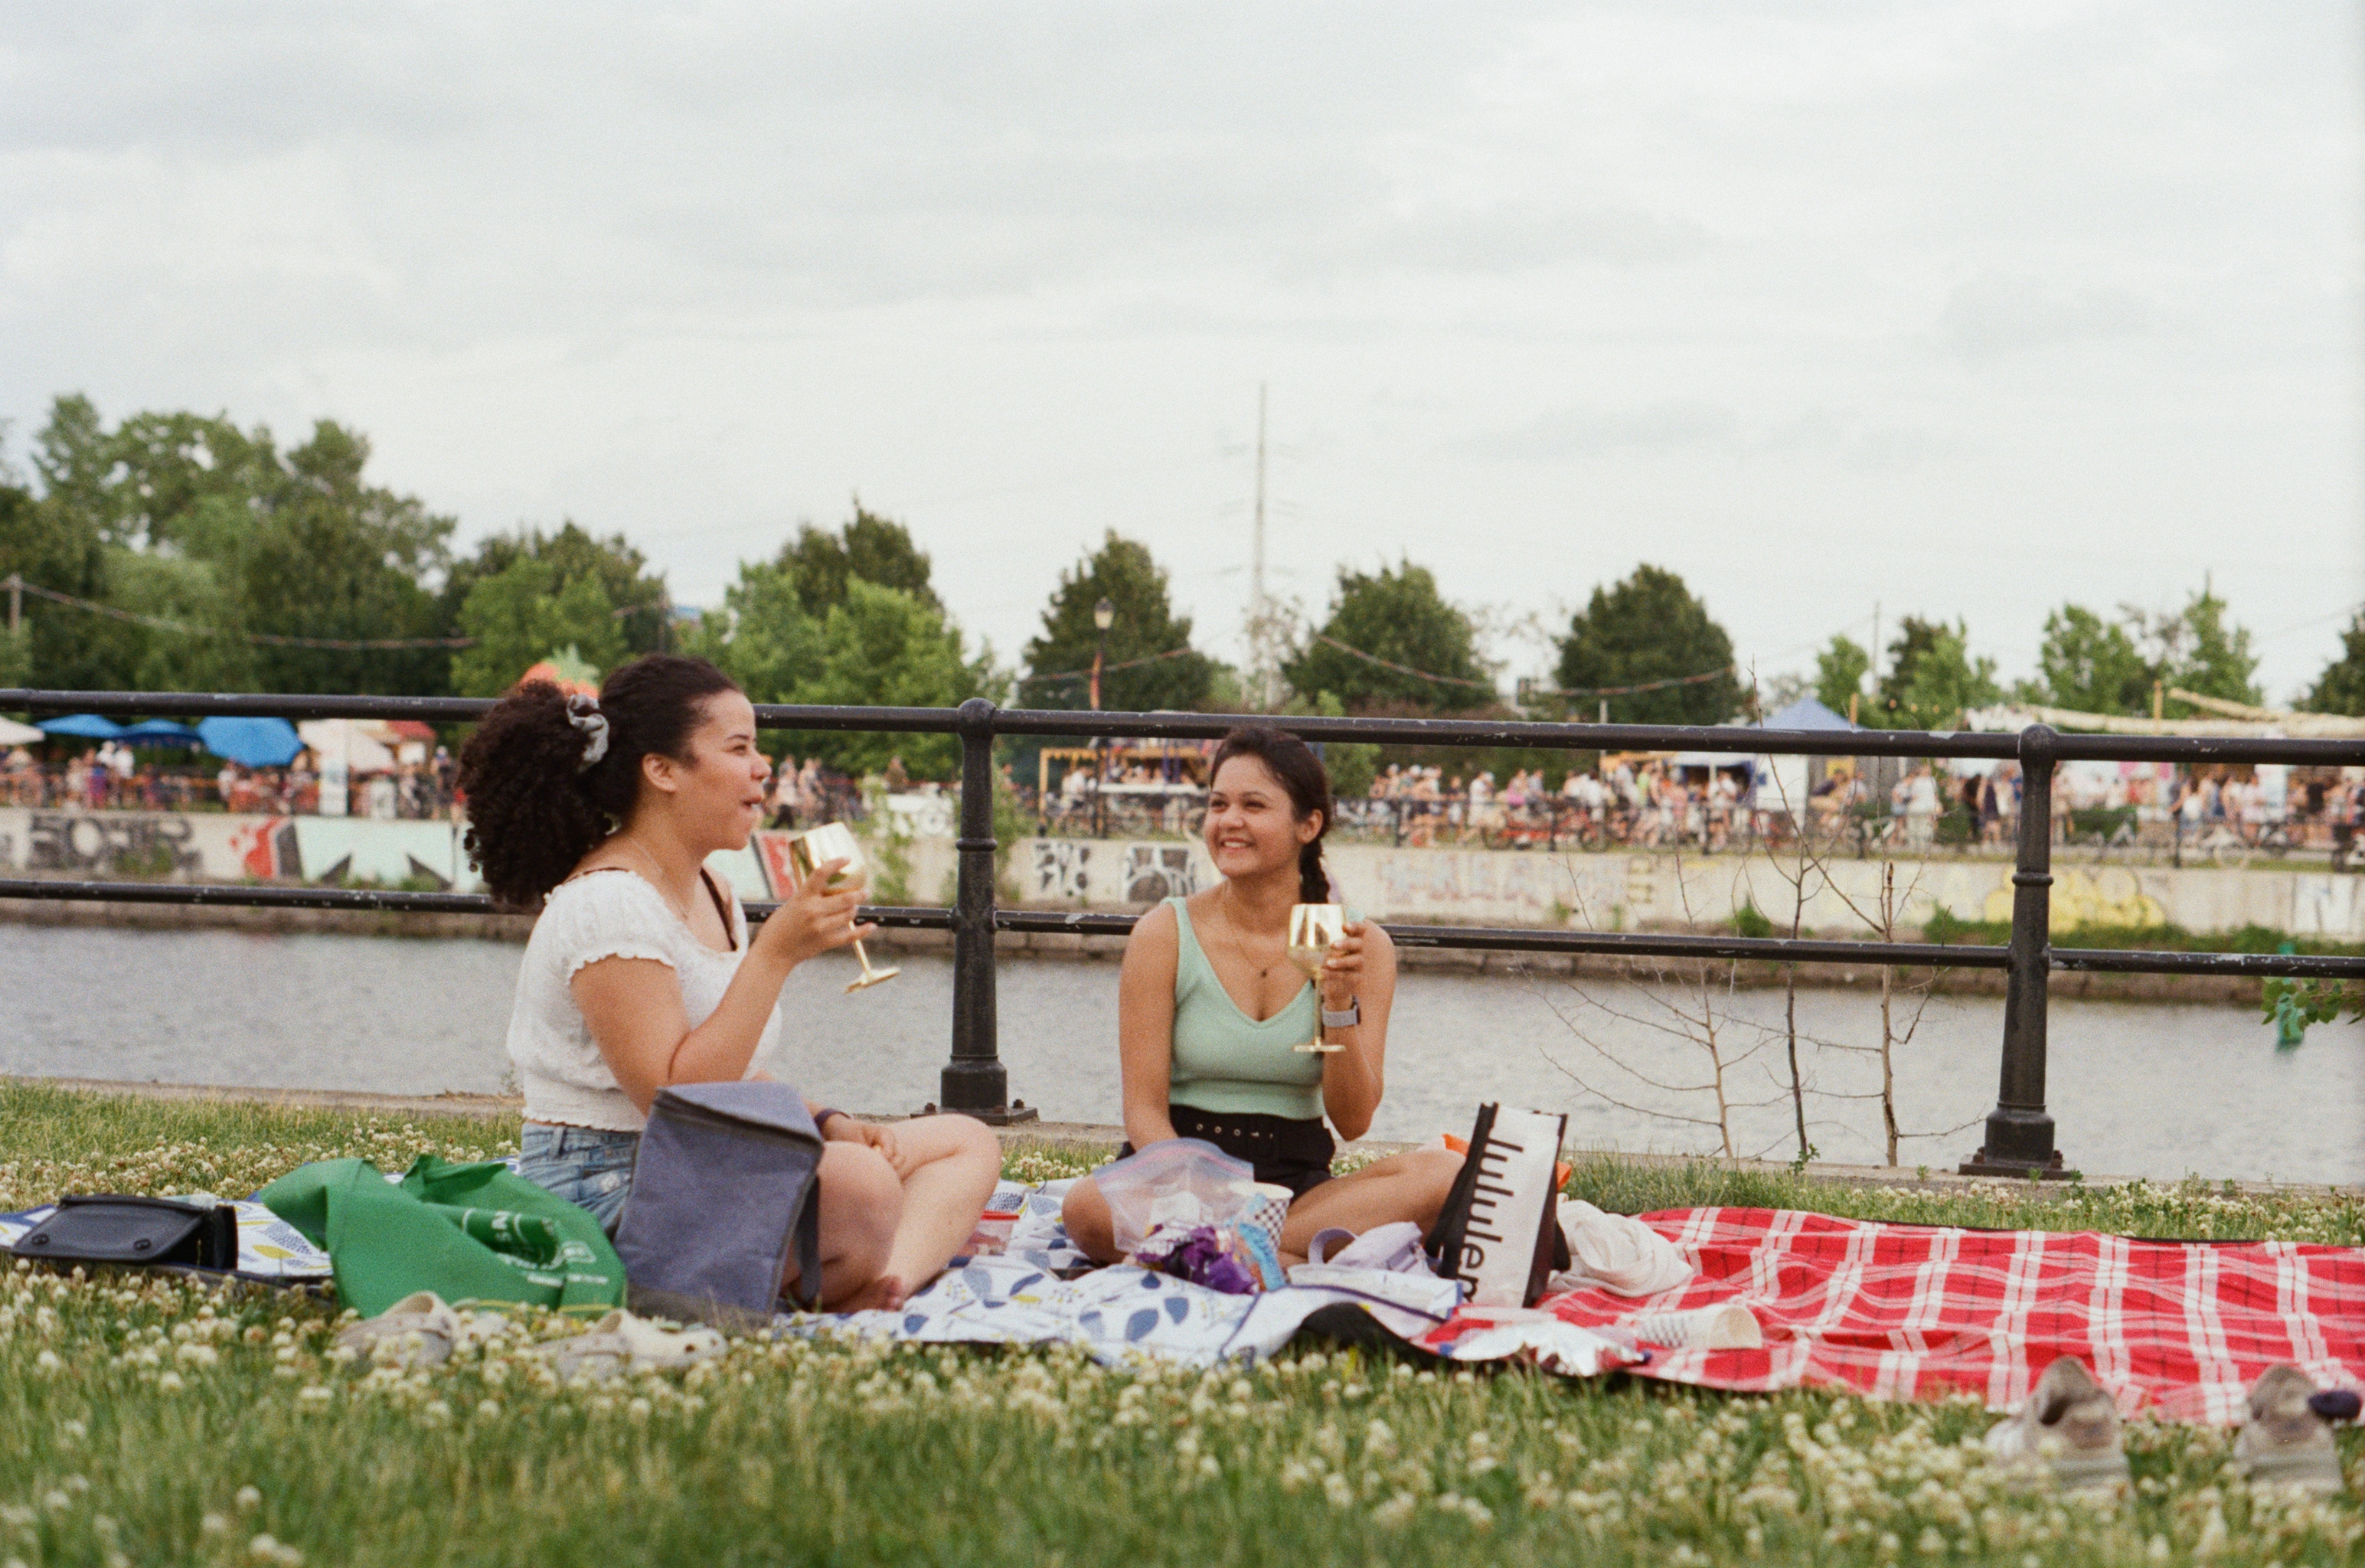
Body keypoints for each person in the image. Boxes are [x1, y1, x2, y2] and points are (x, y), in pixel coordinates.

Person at [459, 653, 1000, 1312]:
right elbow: (672, 1096)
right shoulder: (608, 903)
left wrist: (825, 1119)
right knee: (859, 1185)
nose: (763, 767)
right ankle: (827, 1269)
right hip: (605, 1186)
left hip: (697, 1158)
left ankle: (887, 1283)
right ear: (660, 770)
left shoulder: (711, 887)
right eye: (738, 748)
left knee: (963, 1139)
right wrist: (775, 957)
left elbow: (728, 1075)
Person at [1060, 725, 1462, 1268]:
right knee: (1086, 1208)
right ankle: (1280, 1260)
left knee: (1445, 1174)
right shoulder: (1164, 932)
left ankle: (1226, 1257)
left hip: (1294, 1192)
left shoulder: (1358, 944)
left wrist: (1338, 1005)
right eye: (1218, 804)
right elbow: (1143, 1109)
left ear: (1308, 824)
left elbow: (1354, 1121)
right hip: (1177, 1179)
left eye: (1253, 805)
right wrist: (1207, 1197)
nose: (1229, 821)